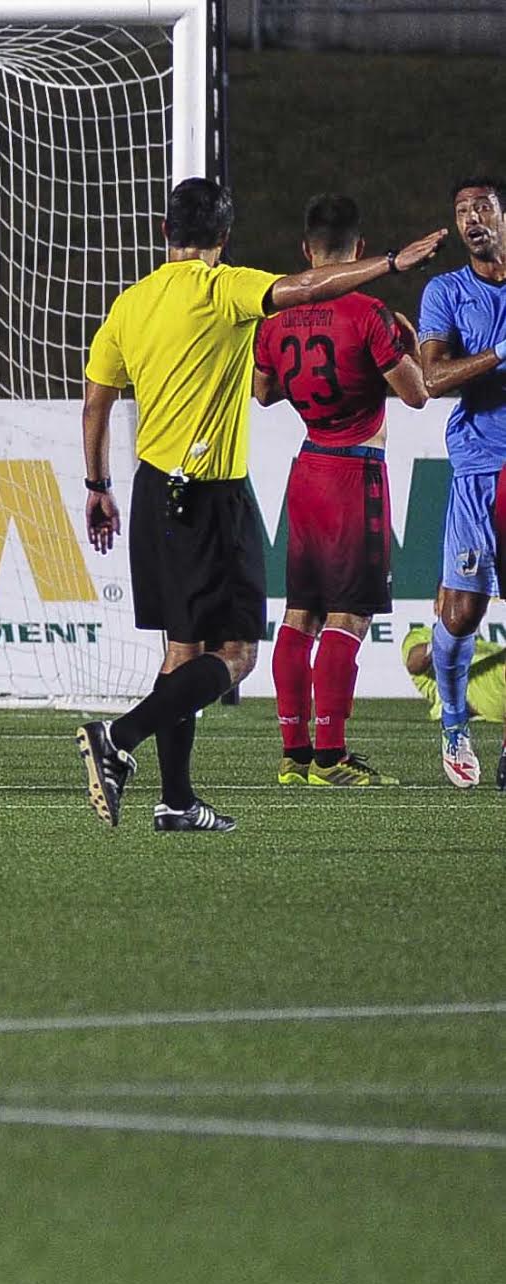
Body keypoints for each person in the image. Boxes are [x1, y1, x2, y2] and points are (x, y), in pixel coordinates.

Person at [76, 179, 442, 831]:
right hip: (220, 491)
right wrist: (390, 264)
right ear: (223, 239)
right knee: (241, 651)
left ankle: (179, 800)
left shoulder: (129, 304)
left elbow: (97, 399)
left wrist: (97, 485)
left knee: (186, 648)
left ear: (165, 233)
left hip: (154, 489)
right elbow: (307, 291)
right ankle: (120, 738)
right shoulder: (227, 288)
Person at [252, 193, 427, 787]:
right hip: (355, 473)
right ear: (357, 248)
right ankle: (330, 755)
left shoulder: (274, 319)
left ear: (305, 249)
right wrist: (404, 341)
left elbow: (263, 392)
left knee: (299, 613)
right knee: (348, 617)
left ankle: (293, 753)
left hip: (308, 470)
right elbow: (416, 393)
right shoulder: (368, 312)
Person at [412, 175, 506, 789]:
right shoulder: (446, 290)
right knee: (462, 615)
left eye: (482, 207)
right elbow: (432, 379)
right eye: (461, 211)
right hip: (478, 469)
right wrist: (499, 353)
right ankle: (453, 722)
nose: (472, 218)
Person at [402, 623, 506, 724]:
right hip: (470, 692)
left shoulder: (486, 644)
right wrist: (447, 637)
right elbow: (414, 664)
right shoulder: (422, 635)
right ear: (437, 607)